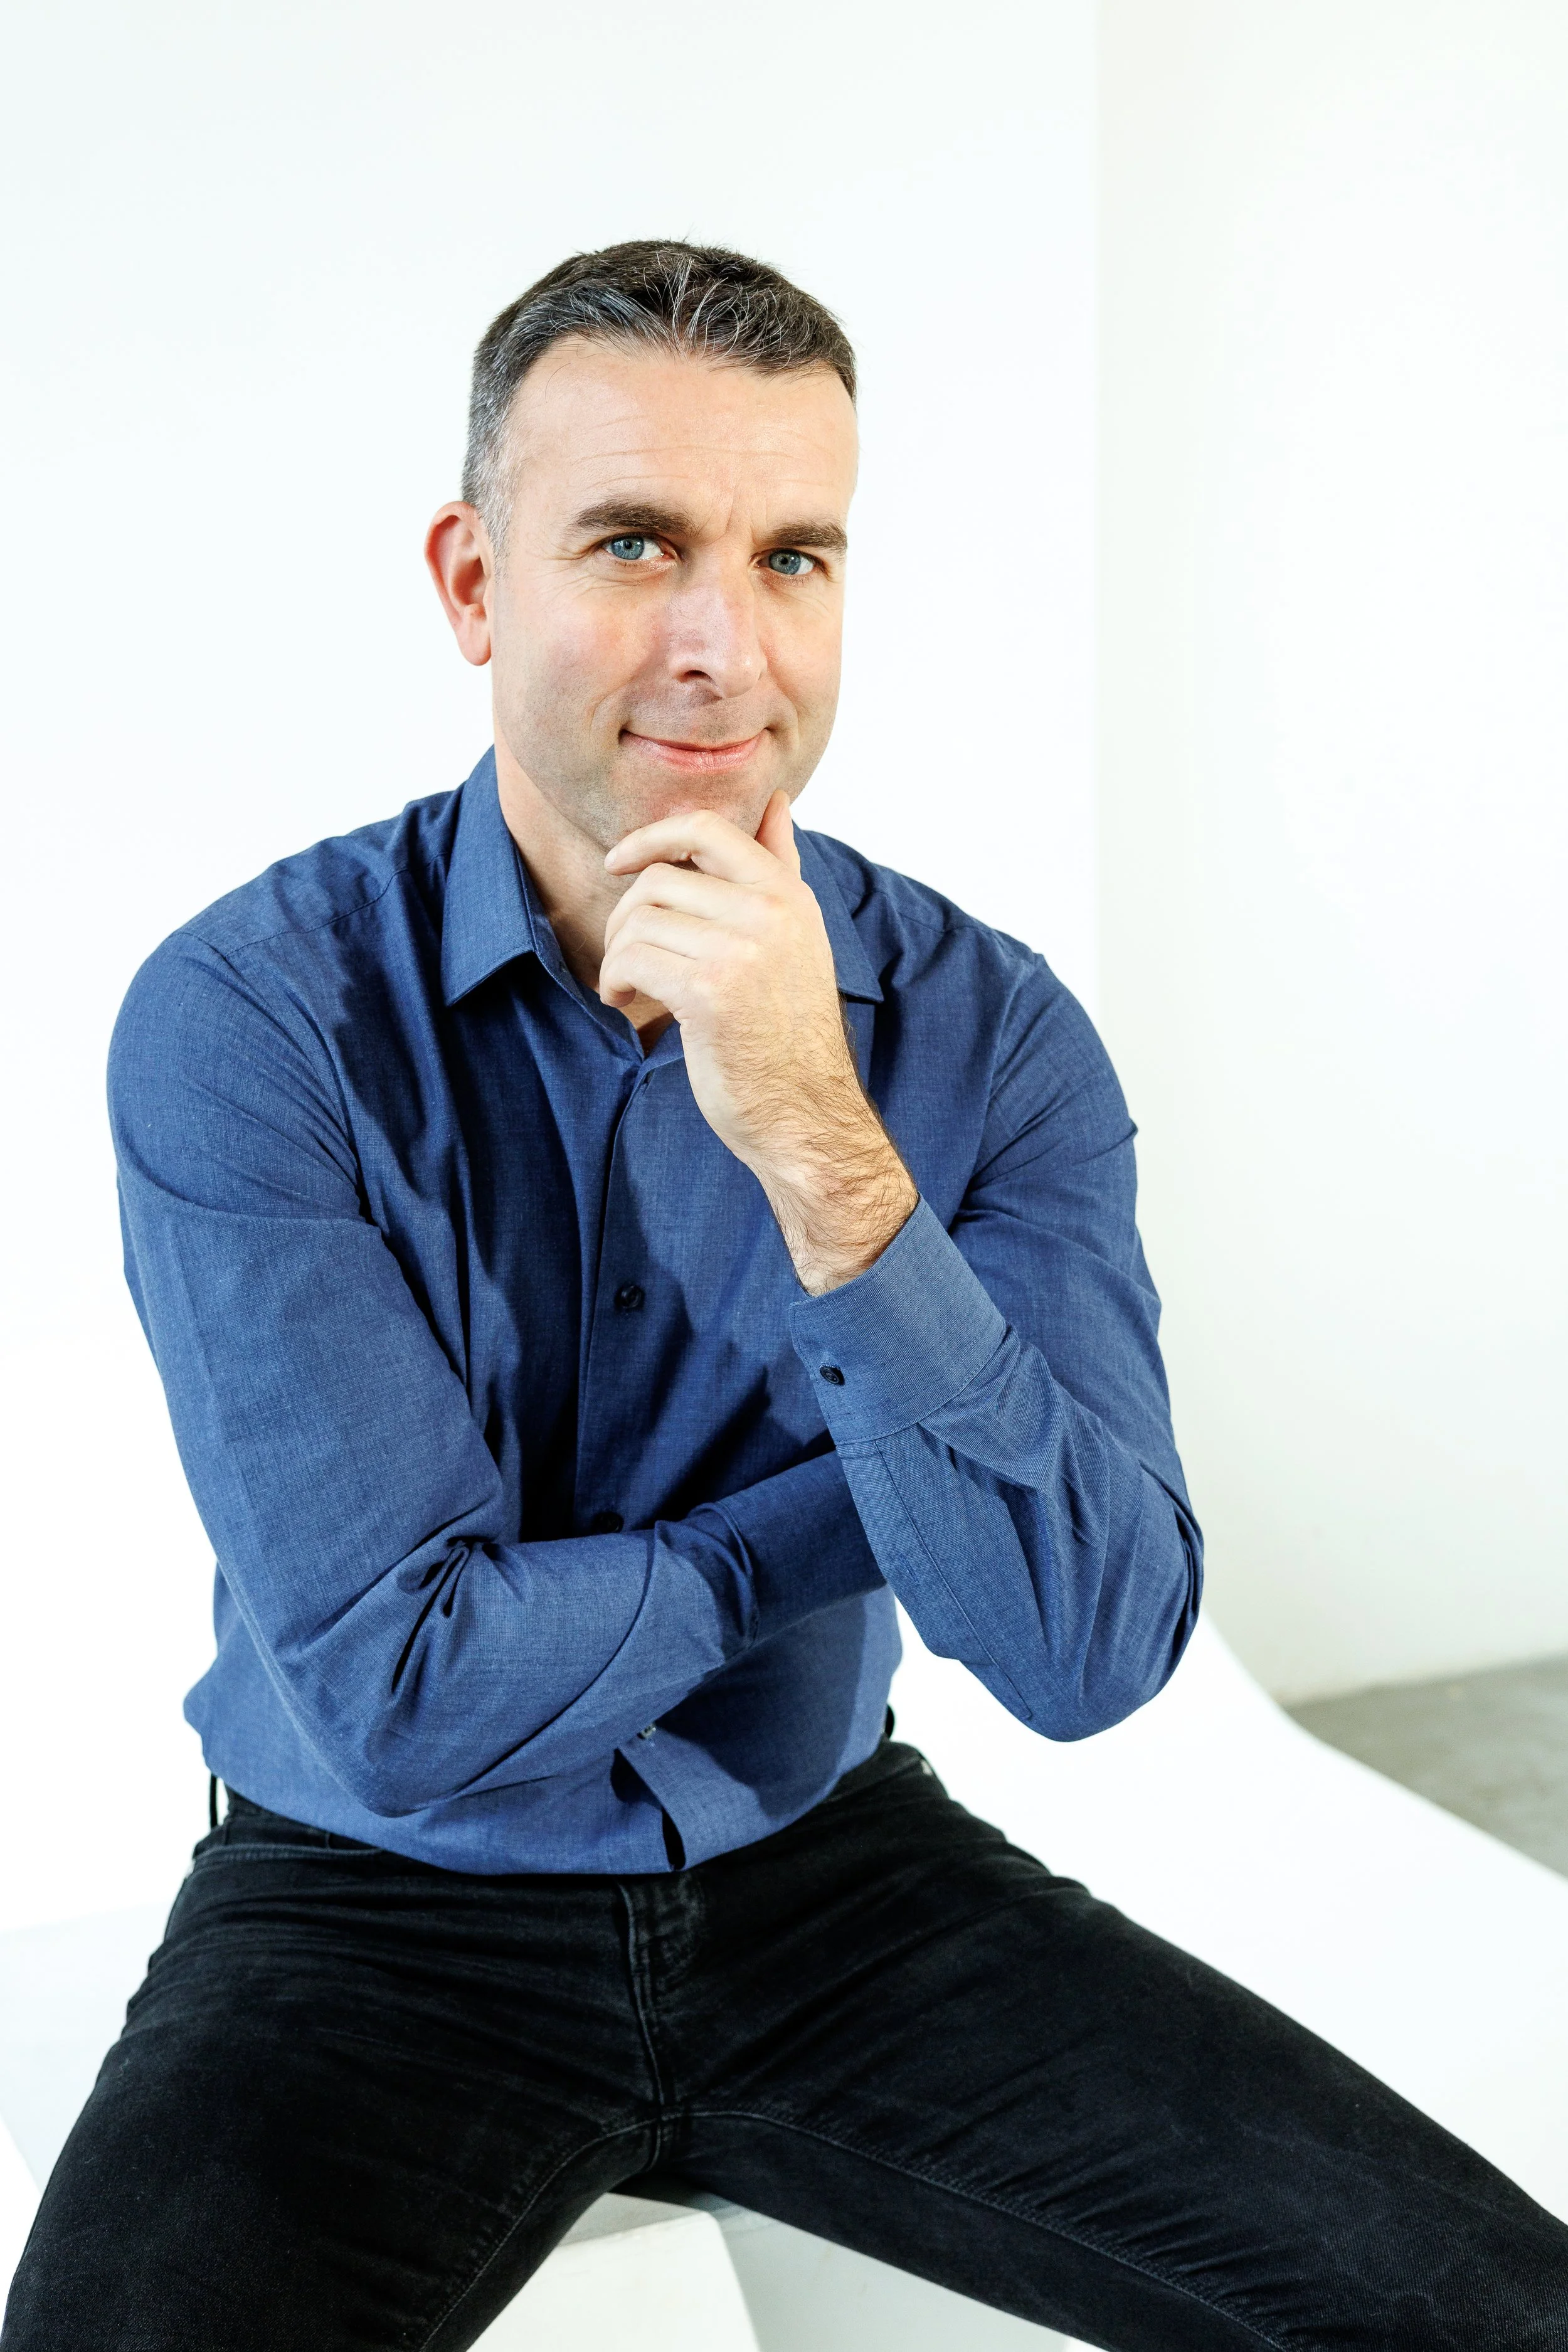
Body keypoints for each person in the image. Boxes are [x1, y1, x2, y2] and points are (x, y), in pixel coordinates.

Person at [6, 241, 1565, 2352]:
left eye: (794, 556)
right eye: (634, 543)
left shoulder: (993, 1034)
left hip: (834, 1881)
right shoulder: (252, 1018)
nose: (722, 646)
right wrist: (847, 1506)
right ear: (473, 583)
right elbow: (406, 1691)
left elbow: (1090, 1647)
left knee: (1502, 2314)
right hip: (369, 1909)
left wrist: (823, 1143)